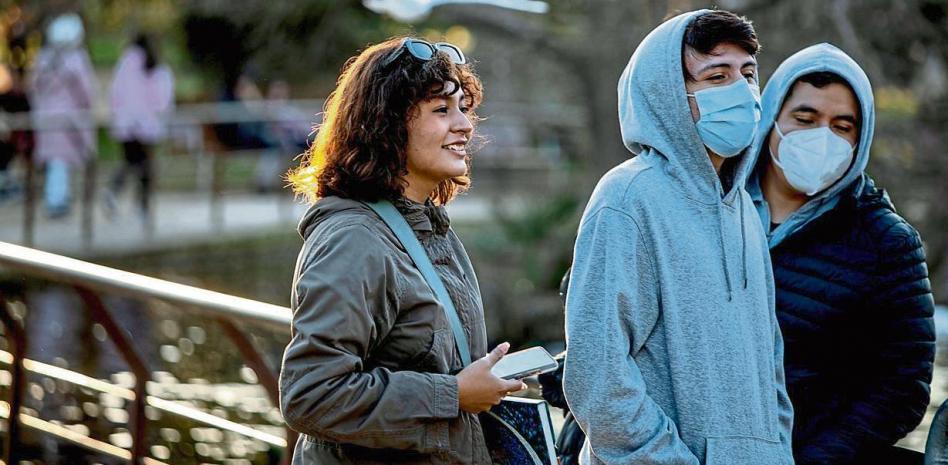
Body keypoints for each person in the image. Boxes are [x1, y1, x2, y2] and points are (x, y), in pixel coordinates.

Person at [278, 37, 524, 465]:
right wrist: (454, 395)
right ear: (387, 123)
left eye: (465, 108)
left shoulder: (427, 226)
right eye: (442, 110)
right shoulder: (353, 241)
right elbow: (310, 395)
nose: (465, 125)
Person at [563, 9, 793, 464]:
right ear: (668, 93)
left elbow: (770, 368)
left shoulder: (744, 207)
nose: (742, 91)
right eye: (716, 76)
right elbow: (598, 375)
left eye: (747, 74)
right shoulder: (627, 198)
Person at [744, 43, 935, 465]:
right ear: (771, 117)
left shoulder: (887, 243)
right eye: (805, 118)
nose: (821, 137)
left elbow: (902, 388)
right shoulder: (710, 208)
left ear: (860, 137)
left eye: (842, 125)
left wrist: (818, 459)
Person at [29, 13, 97, 218]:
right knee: (61, 161)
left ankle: (58, 198)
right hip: (69, 120)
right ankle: (57, 201)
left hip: (45, 118)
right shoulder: (76, 59)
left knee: (55, 161)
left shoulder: (44, 58)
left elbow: (34, 87)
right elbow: (87, 92)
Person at [105, 33, 175, 219]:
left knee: (130, 161)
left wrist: (119, 114)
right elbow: (162, 98)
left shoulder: (125, 63)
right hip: (148, 124)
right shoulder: (157, 66)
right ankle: (142, 206)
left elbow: (115, 93)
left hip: (126, 123)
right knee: (145, 165)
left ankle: (114, 192)